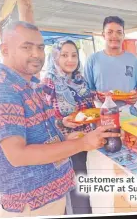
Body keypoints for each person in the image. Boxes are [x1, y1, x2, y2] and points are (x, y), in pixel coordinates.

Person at [0, 21, 120, 217]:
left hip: (47, 199)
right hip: (30, 205)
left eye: (40, 47)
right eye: (26, 47)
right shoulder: (2, 90)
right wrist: (83, 143)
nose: (36, 54)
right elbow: (18, 155)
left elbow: (40, 133)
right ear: (5, 49)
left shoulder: (30, 84)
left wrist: (65, 139)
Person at [42, 40, 95, 214]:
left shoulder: (80, 79)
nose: (70, 59)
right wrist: (61, 122)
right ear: (56, 57)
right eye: (64, 55)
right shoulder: (49, 82)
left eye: (74, 55)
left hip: (87, 141)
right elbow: (43, 117)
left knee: (85, 187)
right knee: (74, 192)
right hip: (65, 145)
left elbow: (88, 106)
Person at [84, 16, 137, 107]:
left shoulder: (133, 59)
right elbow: (86, 90)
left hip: (129, 114)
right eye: (110, 32)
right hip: (102, 113)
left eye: (119, 32)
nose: (114, 36)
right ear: (103, 35)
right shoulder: (93, 60)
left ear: (123, 35)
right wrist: (97, 96)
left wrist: (136, 96)